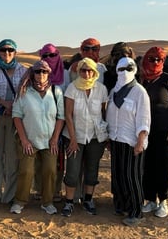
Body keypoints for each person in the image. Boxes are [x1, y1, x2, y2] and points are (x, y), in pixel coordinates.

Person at [10, 60, 64, 215]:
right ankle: (20, 201)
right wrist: (24, 140)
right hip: (28, 139)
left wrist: (55, 138)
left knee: (50, 171)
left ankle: (47, 202)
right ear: (32, 73)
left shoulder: (56, 92)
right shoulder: (24, 91)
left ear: (49, 74)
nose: (41, 75)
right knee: (26, 171)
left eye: (44, 72)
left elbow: (61, 117)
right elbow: (17, 116)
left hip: (49, 141)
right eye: (38, 71)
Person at [106, 57, 150, 227]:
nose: (124, 72)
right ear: (117, 70)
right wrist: (109, 137)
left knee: (132, 177)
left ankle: (136, 211)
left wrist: (140, 141)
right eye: (121, 69)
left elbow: (144, 118)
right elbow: (110, 115)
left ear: (134, 70)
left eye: (128, 68)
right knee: (118, 174)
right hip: (116, 140)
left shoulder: (139, 92)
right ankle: (121, 205)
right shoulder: (114, 91)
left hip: (132, 141)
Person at [61, 57, 108, 217]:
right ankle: (69, 202)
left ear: (95, 71)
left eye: (90, 70)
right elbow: (68, 114)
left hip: (95, 137)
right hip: (75, 136)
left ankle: (88, 200)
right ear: (79, 71)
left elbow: (104, 112)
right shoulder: (72, 88)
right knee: (73, 171)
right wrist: (73, 139)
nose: (87, 73)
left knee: (92, 169)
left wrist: (105, 136)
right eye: (83, 70)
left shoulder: (101, 89)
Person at [0, 39, 27, 204]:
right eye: (3, 50)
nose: (7, 54)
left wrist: (14, 106)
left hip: (15, 118)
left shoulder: (23, 70)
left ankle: (10, 194)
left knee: (12, 157)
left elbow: (26, 91)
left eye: (10, 51)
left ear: (15, 52)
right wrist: (3, 103)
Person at [33, 43, 69, 202]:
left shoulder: (67, 75)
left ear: (58, 55)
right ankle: (40, 190)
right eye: (45, 56)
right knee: (39, 158)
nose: (49, 59)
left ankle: (56, 190)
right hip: (39, 122)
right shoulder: (35, 74)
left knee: (58, 159)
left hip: (61, 121)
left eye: (52, 55)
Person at [140, 47, 168, 218]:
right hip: (145, 130)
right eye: (151, 59)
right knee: (148, 164)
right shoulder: (142, 80)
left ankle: (163, 201)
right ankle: (150, 199)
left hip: (164, 130)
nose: (155, 63)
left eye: (159, 60)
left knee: (164, 165)